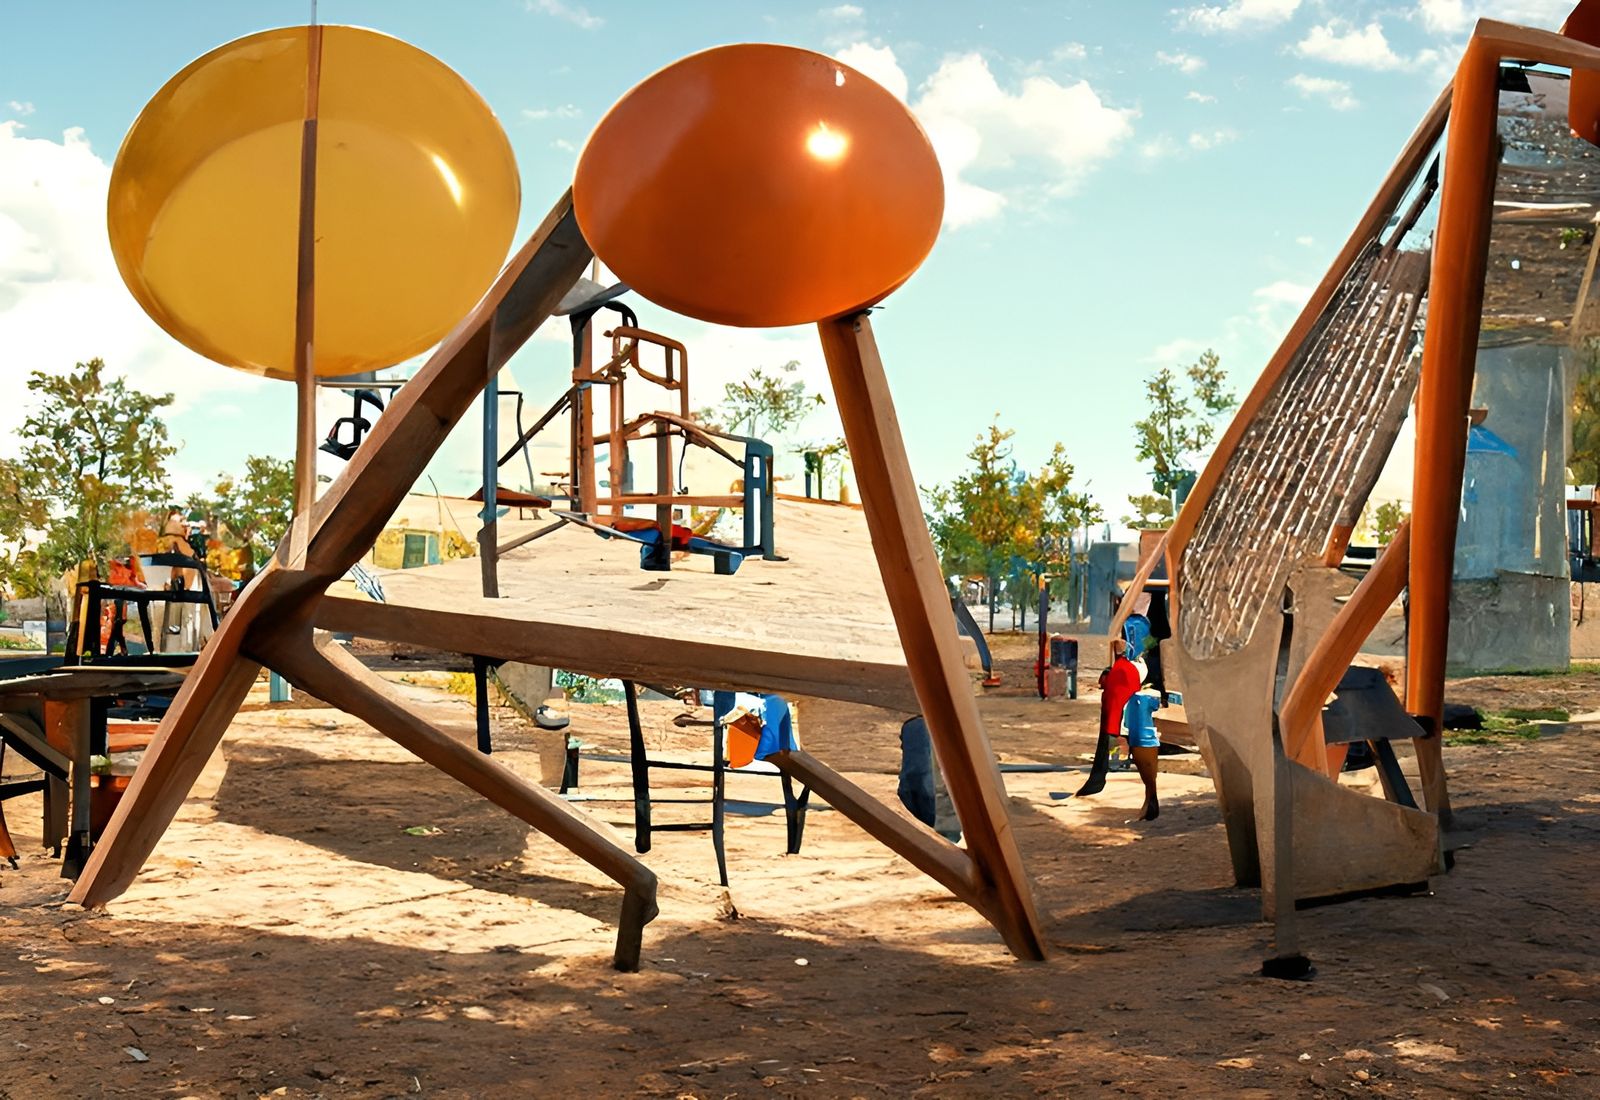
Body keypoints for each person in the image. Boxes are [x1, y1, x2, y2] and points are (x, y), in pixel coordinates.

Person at [1074, 637, 1142, 797]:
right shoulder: (1129, 669)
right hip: (1124, 716)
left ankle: (1106, 775)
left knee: (1108, 750)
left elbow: (1107, 688)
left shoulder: (1117, 670)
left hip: (1113, 717)